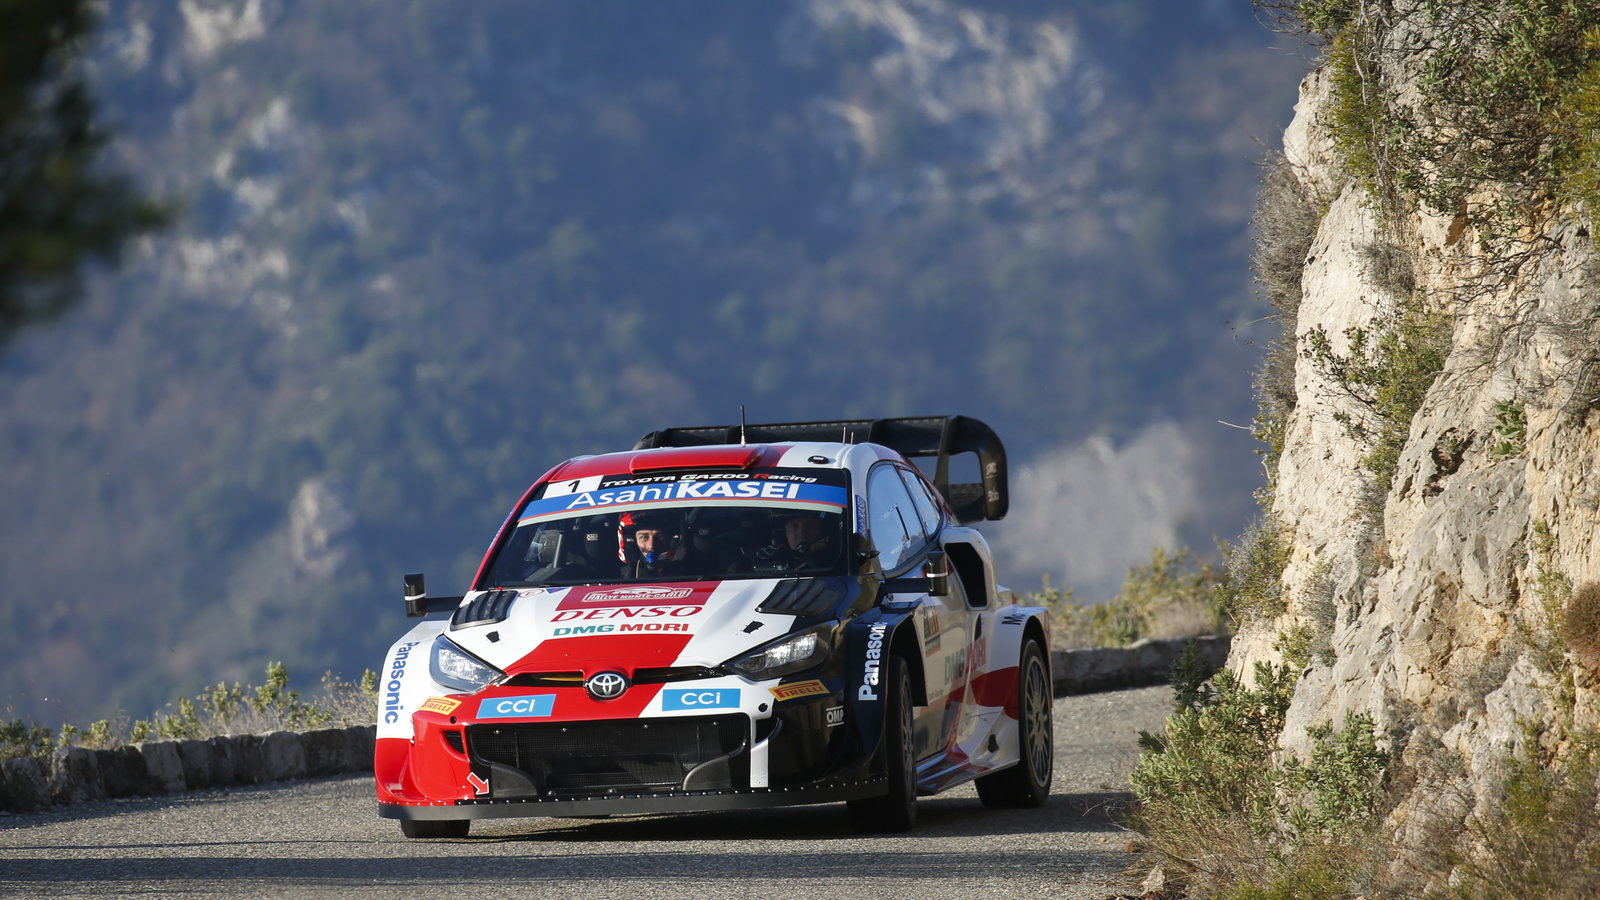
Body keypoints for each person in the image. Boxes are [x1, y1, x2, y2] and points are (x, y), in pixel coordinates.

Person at [753, 510, 838, 573]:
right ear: (785, 532)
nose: (801, 533)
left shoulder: (837, 561)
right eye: (794, 526)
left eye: (810, 525)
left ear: (822, 529)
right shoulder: (772, 559)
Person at [617, 510, 690, 579]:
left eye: (659, 536)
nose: (651, 545)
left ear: (671, 539)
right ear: (632, 541)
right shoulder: (619, 577)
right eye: (644, 537)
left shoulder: (690, 575)